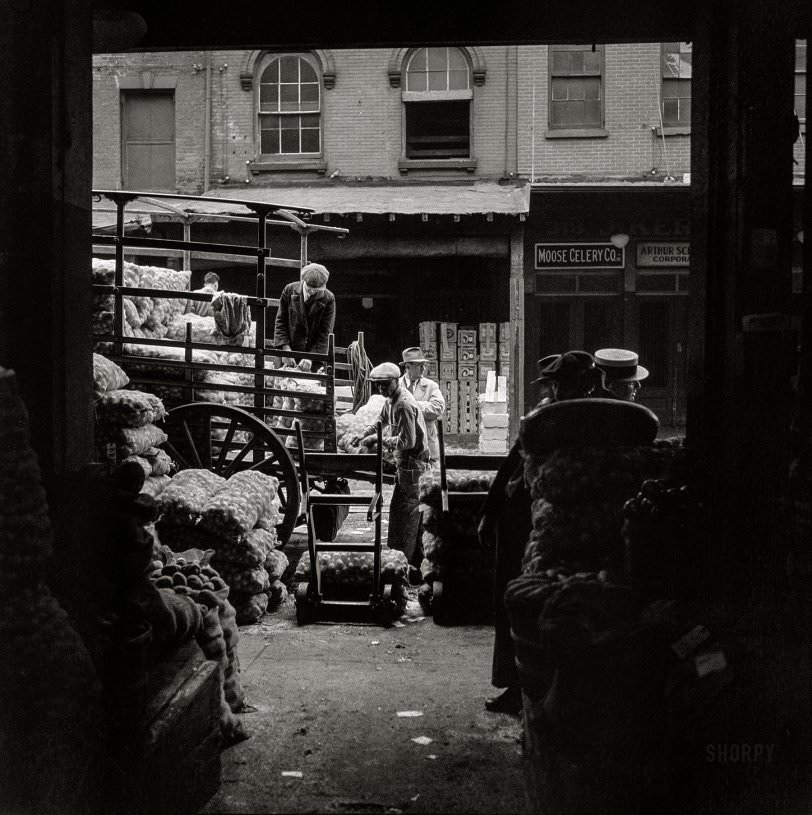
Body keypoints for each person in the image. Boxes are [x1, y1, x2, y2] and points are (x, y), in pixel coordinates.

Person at [478, 350, 602, 715]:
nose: (559, 391)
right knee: (515, 599)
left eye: (568, 383)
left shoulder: (596, 419)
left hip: (560, 526)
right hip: (520, 519)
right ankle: (515, 685)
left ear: (590, 384)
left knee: (553, 608)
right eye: (557, 384)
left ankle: (545, 691)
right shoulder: (544, 417)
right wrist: (490, 511)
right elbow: (512, 462)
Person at [351, 362, 431, 574]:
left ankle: (407, 566)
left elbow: (408, 442)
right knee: (399, 513)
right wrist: (365, 434)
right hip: (404, 466)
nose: (381, 389)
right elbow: (381, 420)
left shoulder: (403, 404)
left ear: (396, 381)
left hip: (414, 467)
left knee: (410, 516)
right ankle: (405, 560)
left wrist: (381, 441)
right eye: (378, 386)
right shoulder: (391, 400)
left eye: (385, 385)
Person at [273, 262, 336, 366]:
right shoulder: (289, 290)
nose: (312, 292)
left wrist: (311, 358)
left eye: (317, 290)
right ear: (304, 281)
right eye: (309, 289)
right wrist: (285, 349)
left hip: (313, 356)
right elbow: (280, 322)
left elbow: (325, 332)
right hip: (288, 352)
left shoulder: (328, 299)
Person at [399, 346, 446, 466]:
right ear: (408, 367)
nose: (423, 368)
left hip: (428, 447)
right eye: (419, 365)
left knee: (431, 482)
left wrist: (412, 405)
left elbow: (438, 408)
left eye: (423, 365)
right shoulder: (396, 386)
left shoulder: (430, 386)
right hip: (403, 447)